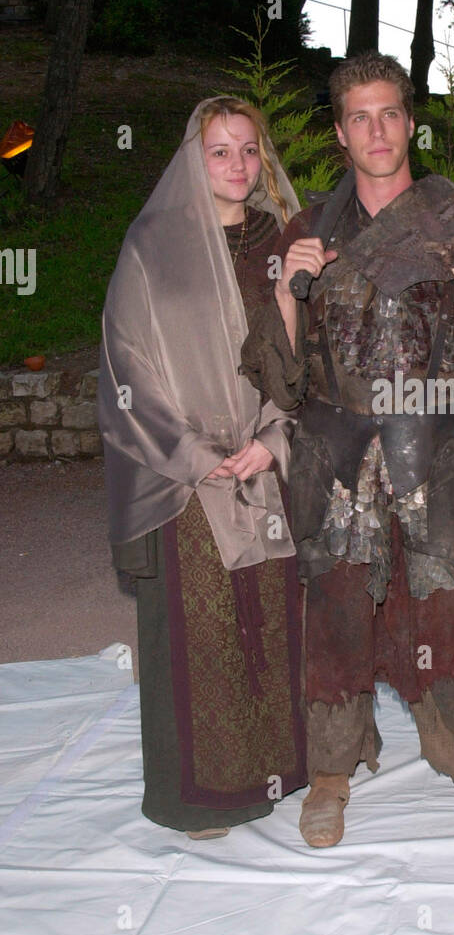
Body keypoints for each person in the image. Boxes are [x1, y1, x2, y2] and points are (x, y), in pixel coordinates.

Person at [241, 52, 454, 847]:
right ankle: (331, 772)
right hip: (338, 454)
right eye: (359, 116)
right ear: (339, 132)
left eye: (389, 113)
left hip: (441, 452)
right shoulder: (309, 232)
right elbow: (279, 378)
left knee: (448, 605)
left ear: (410, 123)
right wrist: (290, 294)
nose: (377, 130)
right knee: (336, 614)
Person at [98, 97, 307, 838]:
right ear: (194, 156)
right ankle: (206, 793)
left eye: (249, 150)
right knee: (201, 630)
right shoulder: (155, 243)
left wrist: (274, 439)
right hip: (184, 470)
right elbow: (126, 361)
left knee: (269, 616)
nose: (238, 166)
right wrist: (192, 455)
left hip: (261, 456)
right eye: (220, 151)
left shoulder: (282, 240)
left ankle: (273, 769)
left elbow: (305, 357)